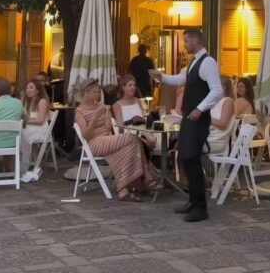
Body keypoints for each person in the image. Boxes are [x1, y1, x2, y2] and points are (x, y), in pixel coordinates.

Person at [151, 27, 223, 222]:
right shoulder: (194, 62)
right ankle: (193, 200)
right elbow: (181, 79)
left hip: (198, 119)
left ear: (195, 40)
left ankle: (201, 207)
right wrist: (162, 77)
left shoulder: (208, 62)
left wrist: (200, 109)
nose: (184, 45)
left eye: (185, 41)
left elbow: (217, 90)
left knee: (191, 157)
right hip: (189, 118)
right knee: (185, 156)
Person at [75, 79, 158, 202]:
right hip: (95, 143)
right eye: (95, 92)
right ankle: (147, 177)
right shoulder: (79, 112)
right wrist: (96, 117)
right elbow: (86, 135)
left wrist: (106, 115)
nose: (98, 94)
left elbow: (108, 129)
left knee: (131, 146)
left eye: (99, 92)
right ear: (86, 93)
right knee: (133, 138)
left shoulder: (101, 107)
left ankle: (123, 190)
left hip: (108, 140)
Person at [20, 75, 50, 177]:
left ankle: (23, 166)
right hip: (31, 128)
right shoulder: (28, 102)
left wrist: (26, 121)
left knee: (20, 135)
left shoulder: (42, 101)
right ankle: (19, 164)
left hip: (40, 130)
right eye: (27, 88)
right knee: (17, 133)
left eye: (31, 88)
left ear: (37, 90)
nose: (28, 90)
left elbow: (40, 120)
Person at [206, 76, 236, 156]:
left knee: (184, 145)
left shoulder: (227, 102)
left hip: (216, 141)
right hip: (208, 137)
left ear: (223, 87)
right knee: (182, 143)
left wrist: (205, 117)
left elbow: (223, 124)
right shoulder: (214, 102)